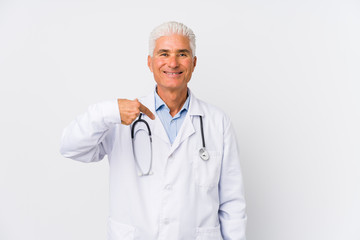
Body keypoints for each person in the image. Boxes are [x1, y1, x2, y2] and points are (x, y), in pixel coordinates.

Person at [60, 21, 246, 240]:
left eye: (182, 54)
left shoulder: (217, 122)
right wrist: (108, 111)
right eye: (164, 53)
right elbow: (70, 147)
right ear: (150, 62)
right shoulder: (121, 119)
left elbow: (232, 203)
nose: (173, 63)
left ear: (194, 63)